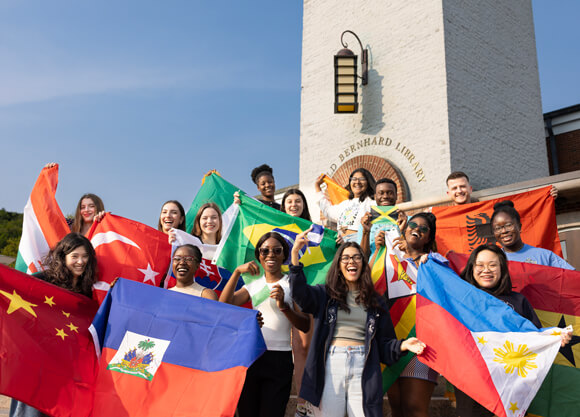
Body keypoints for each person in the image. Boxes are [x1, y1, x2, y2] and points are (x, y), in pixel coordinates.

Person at [289, 231, 426, 417]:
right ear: (338, 265)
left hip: (364, 366)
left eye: (356, 257)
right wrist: (295, 254)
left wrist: (403, 344)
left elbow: (384, 345)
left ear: (363, 264)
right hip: (331, 364)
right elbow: (300, 295)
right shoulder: (324, 295)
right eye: (345, 258)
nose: (351, 262)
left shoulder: (375, 302)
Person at [457, 244, 572, 417]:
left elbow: (536, 338)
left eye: (492, 265)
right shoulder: (460, 299)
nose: (486, 270)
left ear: (502, 268)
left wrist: (556, 339)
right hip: (473, 385)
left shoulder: (518, 301)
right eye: (480, 265)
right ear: (472, 268)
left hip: (512, 389)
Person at [219, 232, 310, 417]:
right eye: (265, 250)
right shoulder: (253, 285)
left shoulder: (292, 283)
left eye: (277, 250)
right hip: (252, 356)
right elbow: (223, 305)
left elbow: (305, 325)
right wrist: (236, 273)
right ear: (259, 255)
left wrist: (285, 307)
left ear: (284, 255)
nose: (270, 254)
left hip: (280, 359)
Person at [10, 233, 97, 417]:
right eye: (75, 256)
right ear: (63, 257)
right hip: (36, 361)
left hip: (65, 367)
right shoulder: (43, 280)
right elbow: (15, 287)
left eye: (84, 256)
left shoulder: (89, 290)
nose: (80, 261)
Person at [384, 212, 443, 417]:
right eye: (413, 225)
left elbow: (442, 290)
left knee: (414, 409)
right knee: (397, 408)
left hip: (422, 342)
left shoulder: (434, 260)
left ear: (429, 238)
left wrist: (414, 257)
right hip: (394, 341)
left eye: (423, 228)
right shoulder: (389, 258)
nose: (416, 229)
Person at [279, 188, 314, 416]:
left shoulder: (315, 231)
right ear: (283, 206)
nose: (293, 204)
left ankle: (304, 404)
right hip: (277, 291)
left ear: (304, 205)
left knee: (303, 348)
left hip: (304, 293)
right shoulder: (272, 227)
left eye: (297, 201)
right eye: (289, 201)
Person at [491, 200, 574, 270]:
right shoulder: (492, 260)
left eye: (509, 225)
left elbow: (572, 277)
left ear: (519, 226)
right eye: (498, 228)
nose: (504, 231)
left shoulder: (544, 256)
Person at [315, 168, 376, 242]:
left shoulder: (372, 203)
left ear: (368, 182)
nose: (357, 182)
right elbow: (327, 211)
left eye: (362, 179)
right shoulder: (345, 204)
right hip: (343, 245)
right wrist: (318, 187)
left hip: (361, 244)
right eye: (354, 179)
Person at [359, 178, 406, 258]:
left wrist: (403, 230)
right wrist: (366, 232)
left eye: (390, 193)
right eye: (381, 193)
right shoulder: (366, 223)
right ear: (375, 196)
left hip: (400, 268)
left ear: (396, 196)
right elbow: (362, 257)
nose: (385, 196)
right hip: (374, 268)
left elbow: (413, 252)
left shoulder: (407, 220)